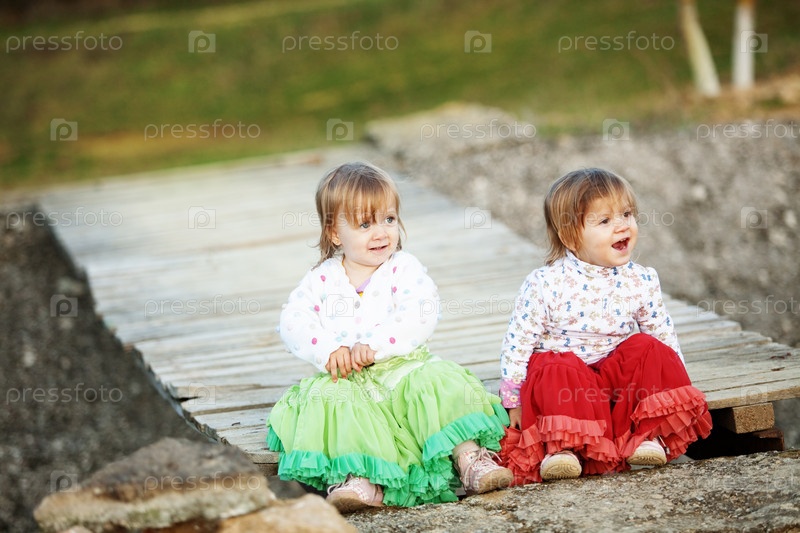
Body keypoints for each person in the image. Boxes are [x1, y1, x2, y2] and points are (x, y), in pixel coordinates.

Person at [267, 162, 513, 512]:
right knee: (334, 405)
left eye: (389, 219)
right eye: (365, 225)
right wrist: (328, 350)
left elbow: (421, 312)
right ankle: (358, 478)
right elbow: (293, 319)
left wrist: (377, 345)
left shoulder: (403, 268)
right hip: (349, 379)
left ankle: (470, 458)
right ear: (335, 233)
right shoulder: (322, 279)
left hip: (403, 370)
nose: (381, 233)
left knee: (437, 388)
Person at [498, 167, 712, 484]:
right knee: (554, 366)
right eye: (605, 221)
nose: (622, 226)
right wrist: (513, 400)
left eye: (626, 214)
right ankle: (563, 448)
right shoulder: (546, 283)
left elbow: (662, 333)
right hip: (567, 384)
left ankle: (646, 435)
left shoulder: (640, 279)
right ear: (571, 237)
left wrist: (673, 390)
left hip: (614, 379)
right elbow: (518, 343)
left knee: (649, 348)